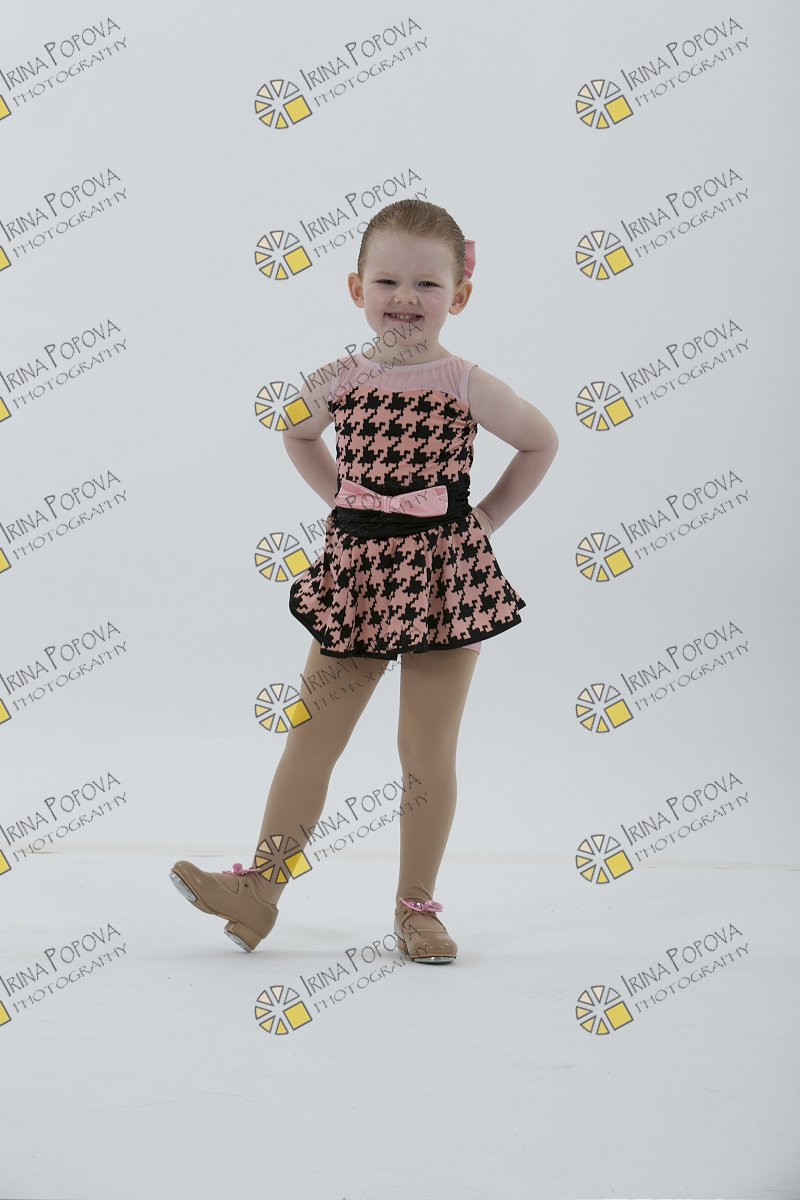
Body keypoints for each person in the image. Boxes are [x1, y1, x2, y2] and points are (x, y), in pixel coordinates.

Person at [170, 199, 559, 964]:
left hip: (444, 581)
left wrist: (483, 520)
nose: (406, 298)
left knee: (426, 750)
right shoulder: (339, 377)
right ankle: (259, 892)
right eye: (387, 281)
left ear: (459, 295)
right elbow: (296, 431)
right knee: (313, 737)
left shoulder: (466, 382)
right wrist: (347, 501)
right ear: (357, 289)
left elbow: (540, 441)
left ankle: (416, 908)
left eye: (427, 284)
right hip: (358, 578)